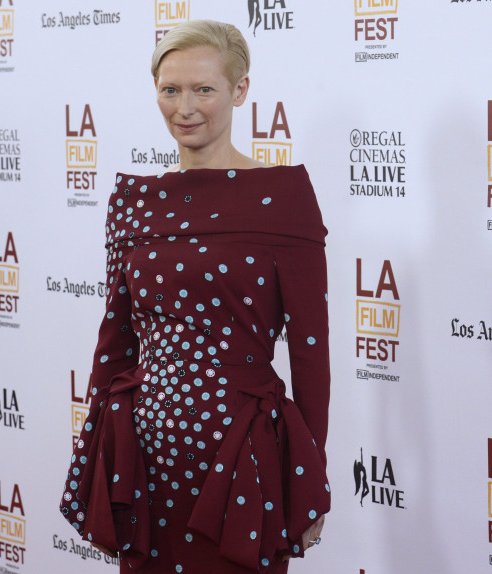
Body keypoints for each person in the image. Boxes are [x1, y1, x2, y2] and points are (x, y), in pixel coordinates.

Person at [60, 20, 330, 574]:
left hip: (240, 453)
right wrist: (95, 453)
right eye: (170, 89)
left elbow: (310, 352)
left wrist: (309, 475)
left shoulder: (282, 197)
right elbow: (115, 341)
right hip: (146, 450)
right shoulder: (134, 201)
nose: (184, 107)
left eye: (203, 89)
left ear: (240, 90)